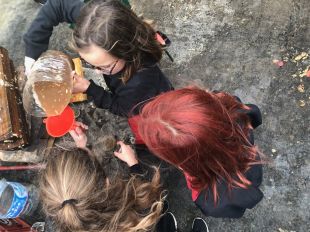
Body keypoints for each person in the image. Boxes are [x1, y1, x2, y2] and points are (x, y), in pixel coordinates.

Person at [121, 87, 264, 218]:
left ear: (185, 162)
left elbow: (230, 209)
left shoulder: (212, 201)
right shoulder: (231, 109)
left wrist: (134, 166)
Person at [24, 0, 173, 118]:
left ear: (127, 51)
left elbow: (121, 108)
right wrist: (31, 55)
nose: (96, 72)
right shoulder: (95, 22)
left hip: (149, 102)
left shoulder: (139, 83)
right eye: (90, 64)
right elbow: (58, 4)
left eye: (103, 66)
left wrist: (90, 89)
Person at [40, 129, 164, 232]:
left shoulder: (65, 218)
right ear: (107, 183)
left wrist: (82, 148)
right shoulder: (139, 218)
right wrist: (133, 163)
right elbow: (144, 196)